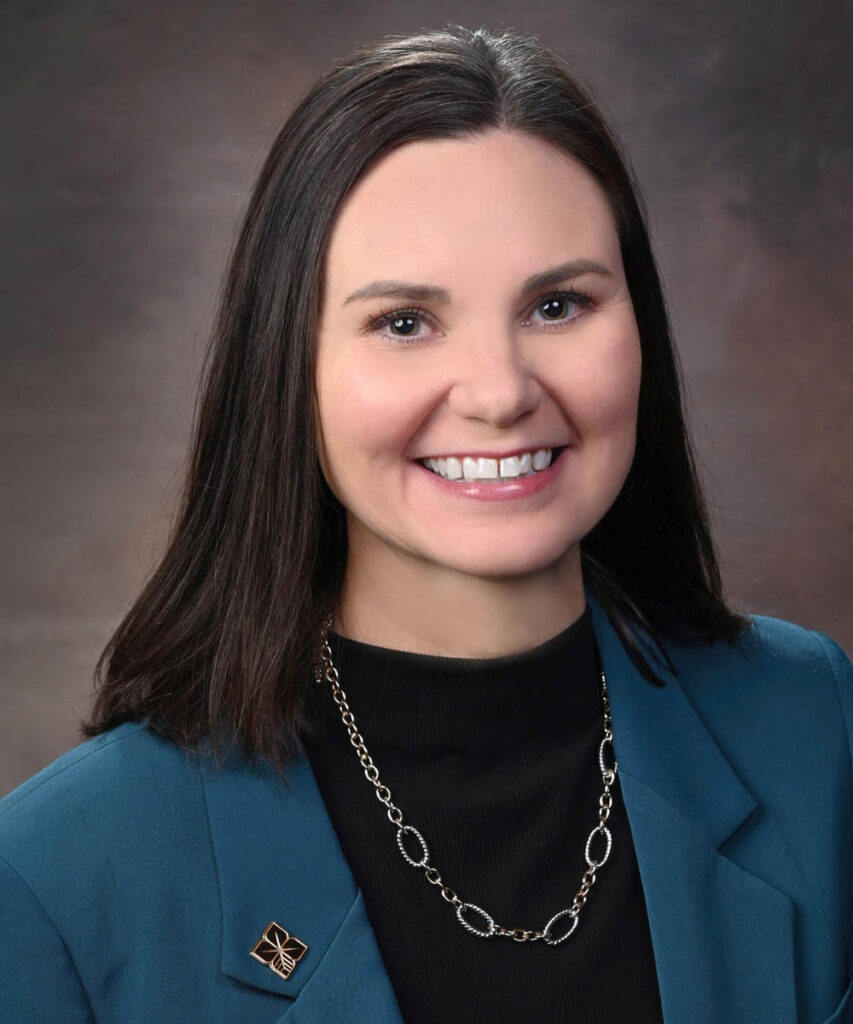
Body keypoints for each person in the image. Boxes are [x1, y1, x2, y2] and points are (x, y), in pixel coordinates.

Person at [0, 23, 850, 1024]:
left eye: (558, 304)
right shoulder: (55, 876)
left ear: (641, 331)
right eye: (404, 321)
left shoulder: (819, 729)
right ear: (287, 369)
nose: (498, 393)